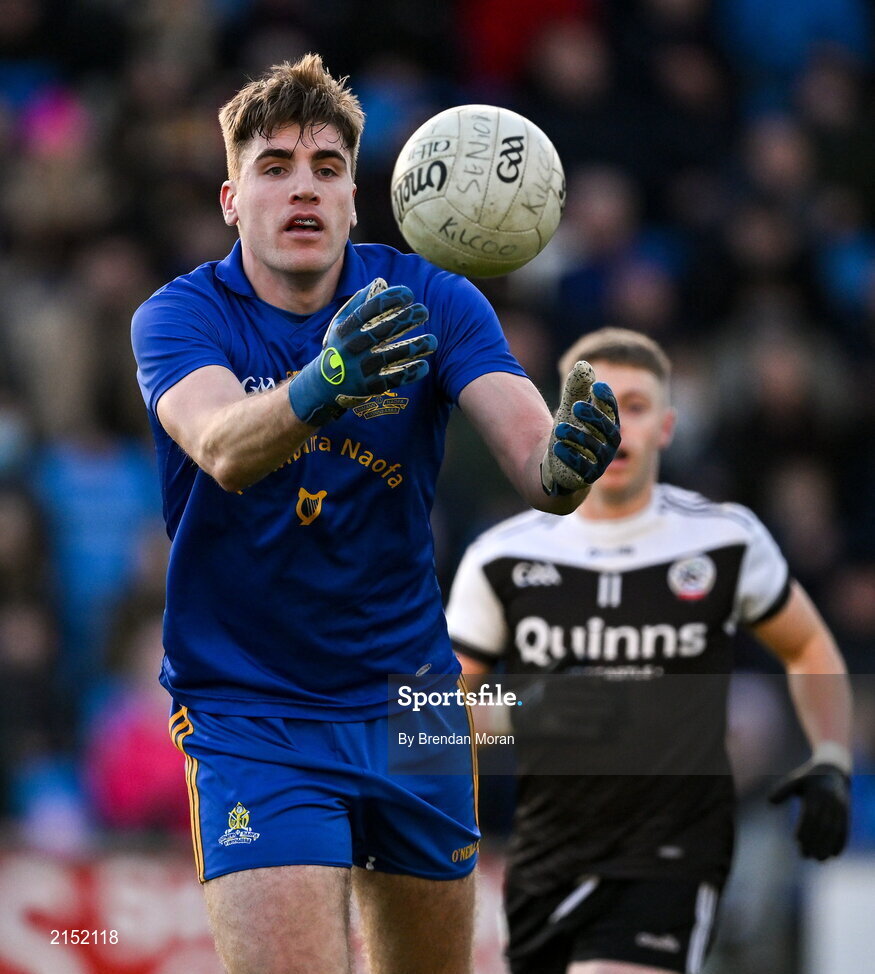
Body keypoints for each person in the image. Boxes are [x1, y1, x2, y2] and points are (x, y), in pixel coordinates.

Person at [130, 55, 620, 974]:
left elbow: (536, 462)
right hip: (252, 710)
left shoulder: (433, 298)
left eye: (324, 169)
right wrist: (330, 380)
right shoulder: (178, 316)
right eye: (273, 168)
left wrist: (570, 458)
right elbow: (226, 447)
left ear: (355, 198)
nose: (301, 188)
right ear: (232, 200)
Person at [446, 327, 852, 974]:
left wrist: (829, 752)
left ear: (665, 427)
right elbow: (427, 721)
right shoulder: (501, 554)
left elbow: (805, 645)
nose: (613, 427)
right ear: (561, 423)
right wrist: (528, 708)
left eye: (632, 407)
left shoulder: (723, 539)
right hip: (543, 856)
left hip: (671, 850)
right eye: (595, 407)